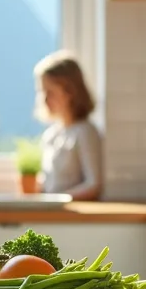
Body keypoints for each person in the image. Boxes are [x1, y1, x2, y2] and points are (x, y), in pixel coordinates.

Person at [34, 51, 104, 201]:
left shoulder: (85, 132)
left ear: (70, 91)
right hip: (50, 215)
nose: (44, 99)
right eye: (41, 91)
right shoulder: (51, 135)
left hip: (73, 218)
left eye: (50, 92)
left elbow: (94, 185)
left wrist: (57, 200)